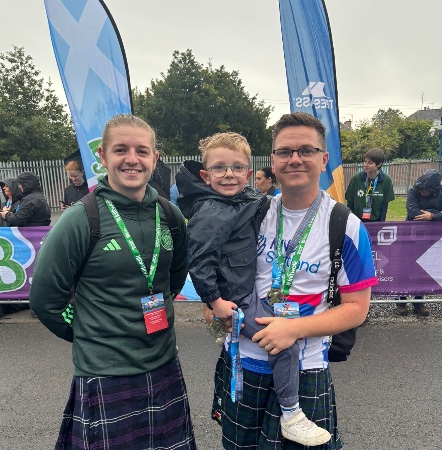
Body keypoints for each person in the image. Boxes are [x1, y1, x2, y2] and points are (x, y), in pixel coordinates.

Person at [29, 114, 196, 450]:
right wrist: (88, 334)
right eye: (121, 150)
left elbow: (173, 279)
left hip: (164, 364)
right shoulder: (79, 219)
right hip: (105, 372)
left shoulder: (171, 216)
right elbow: (45, 300)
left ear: (154, 159)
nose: (132, 159)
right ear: (103, 157)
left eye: (141, 151)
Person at [211, 112, 377, 450]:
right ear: (273, 160)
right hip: (242, 361)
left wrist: (293, 329)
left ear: (323, 159)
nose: (295, 159)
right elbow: (220, 271)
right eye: (285, 151)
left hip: (303, 368)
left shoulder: (345, 225)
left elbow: (357, 309)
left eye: (306, 150)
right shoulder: (252, 213)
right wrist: (213, 308)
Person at [176, 132, 331, 446]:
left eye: (237, 168)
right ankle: (291, 414)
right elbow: (199, 263)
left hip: (246, 292)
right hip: (237, 299)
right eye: (219, 168)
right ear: (205, 176)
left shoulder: (240, 200)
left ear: (248, 174)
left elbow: (262, 203)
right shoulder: (210, 212)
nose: (229, 174)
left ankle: (229, 331)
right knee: (285, 344)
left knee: (284, 329)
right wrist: (215, 303)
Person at [395, 169, 442, 316]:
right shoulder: (413, 191)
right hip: (410, 235)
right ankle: (401, 302)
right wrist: (436, 214)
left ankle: (419, 303)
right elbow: (413, 212)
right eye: (420, 189)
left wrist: (432, 215)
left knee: (423, 269)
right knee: (405, 268)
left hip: (430, 238)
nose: (422, 192)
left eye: (425, 190)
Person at [0, 178, 23, 321]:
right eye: (3, 187)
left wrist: (7, 214)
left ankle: (8, 304)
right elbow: (0, 220)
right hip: (2, 240)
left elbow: (17, 219)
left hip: (14, 241)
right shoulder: (5, 203)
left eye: (7, 186)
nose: (4, 189)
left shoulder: (19, 203)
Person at [345, 148, 395, 222]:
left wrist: (381, 224)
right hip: (357, 221)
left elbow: (384, 206)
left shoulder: (386, 180)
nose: (366, 165)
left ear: (379, 164)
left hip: (375, 222)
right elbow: (350, 203)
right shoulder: (356, 178)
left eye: (370, 163)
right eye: (365, 162)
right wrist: (350, 222)